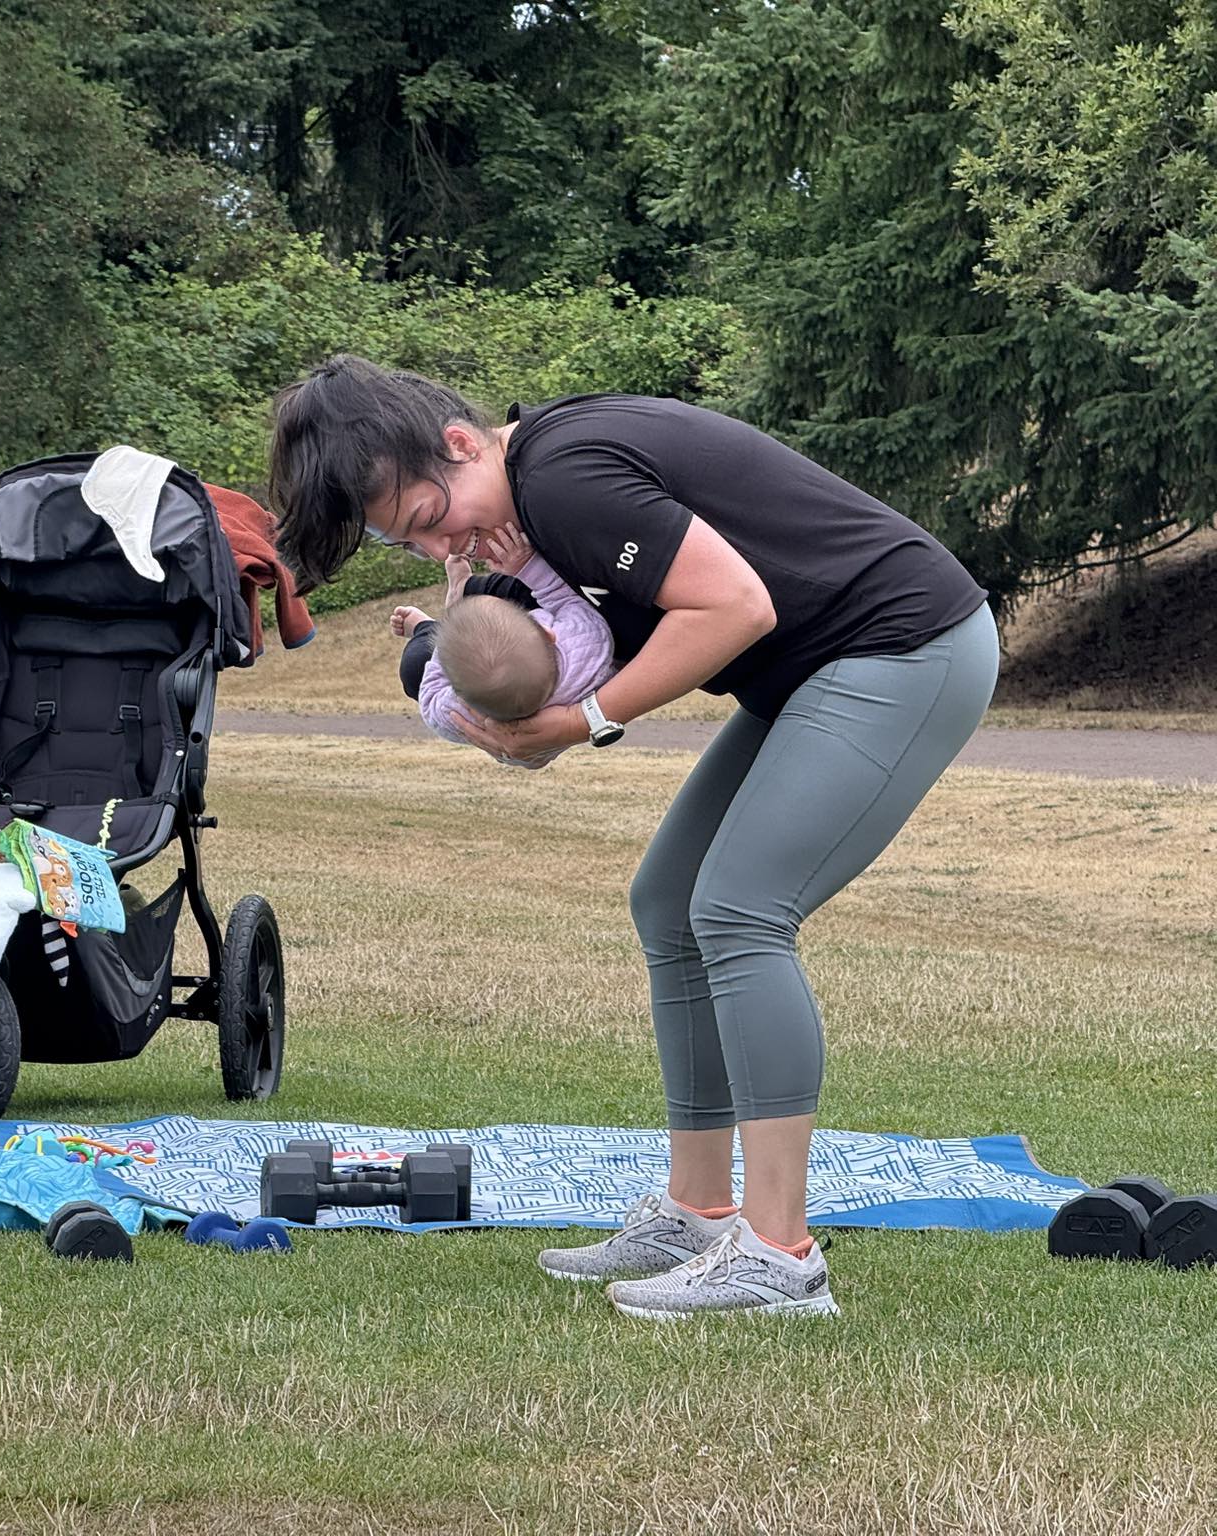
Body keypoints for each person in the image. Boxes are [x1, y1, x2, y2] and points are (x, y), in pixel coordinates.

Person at [269, 356, 997, 1319]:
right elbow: (591, 634)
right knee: (669, 901)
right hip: (817, 671)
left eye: (431, 518)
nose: (448, 542)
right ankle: (699, 1210)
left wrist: (586, 722)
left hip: (903, 648)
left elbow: (736, 606)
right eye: (416, 544)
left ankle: (780, 1258)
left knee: (739, 911)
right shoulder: (536, 495)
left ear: (457, 443)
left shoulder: (566, 477)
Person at [393, 521, 615, 769]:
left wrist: (448, 645)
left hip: (470, 671)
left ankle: (437, 619)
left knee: (415, 662)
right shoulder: (585, 647)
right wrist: (527, 566)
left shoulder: (467, 710)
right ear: (547, 633)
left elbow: (431, 696)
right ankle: (459, 597)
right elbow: (570, 601)